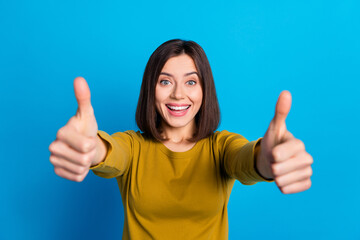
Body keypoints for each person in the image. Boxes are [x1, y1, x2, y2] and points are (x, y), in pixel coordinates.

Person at [49, 39, 313, 240]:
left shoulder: (221, 148)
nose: (177, 94)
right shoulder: (133, 146)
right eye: (165, 82)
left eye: (190, 82)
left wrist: (270, 158)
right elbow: (109, 153)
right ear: (151, 89)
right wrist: (87, 146)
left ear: (204, 90)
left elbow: (248, 161)